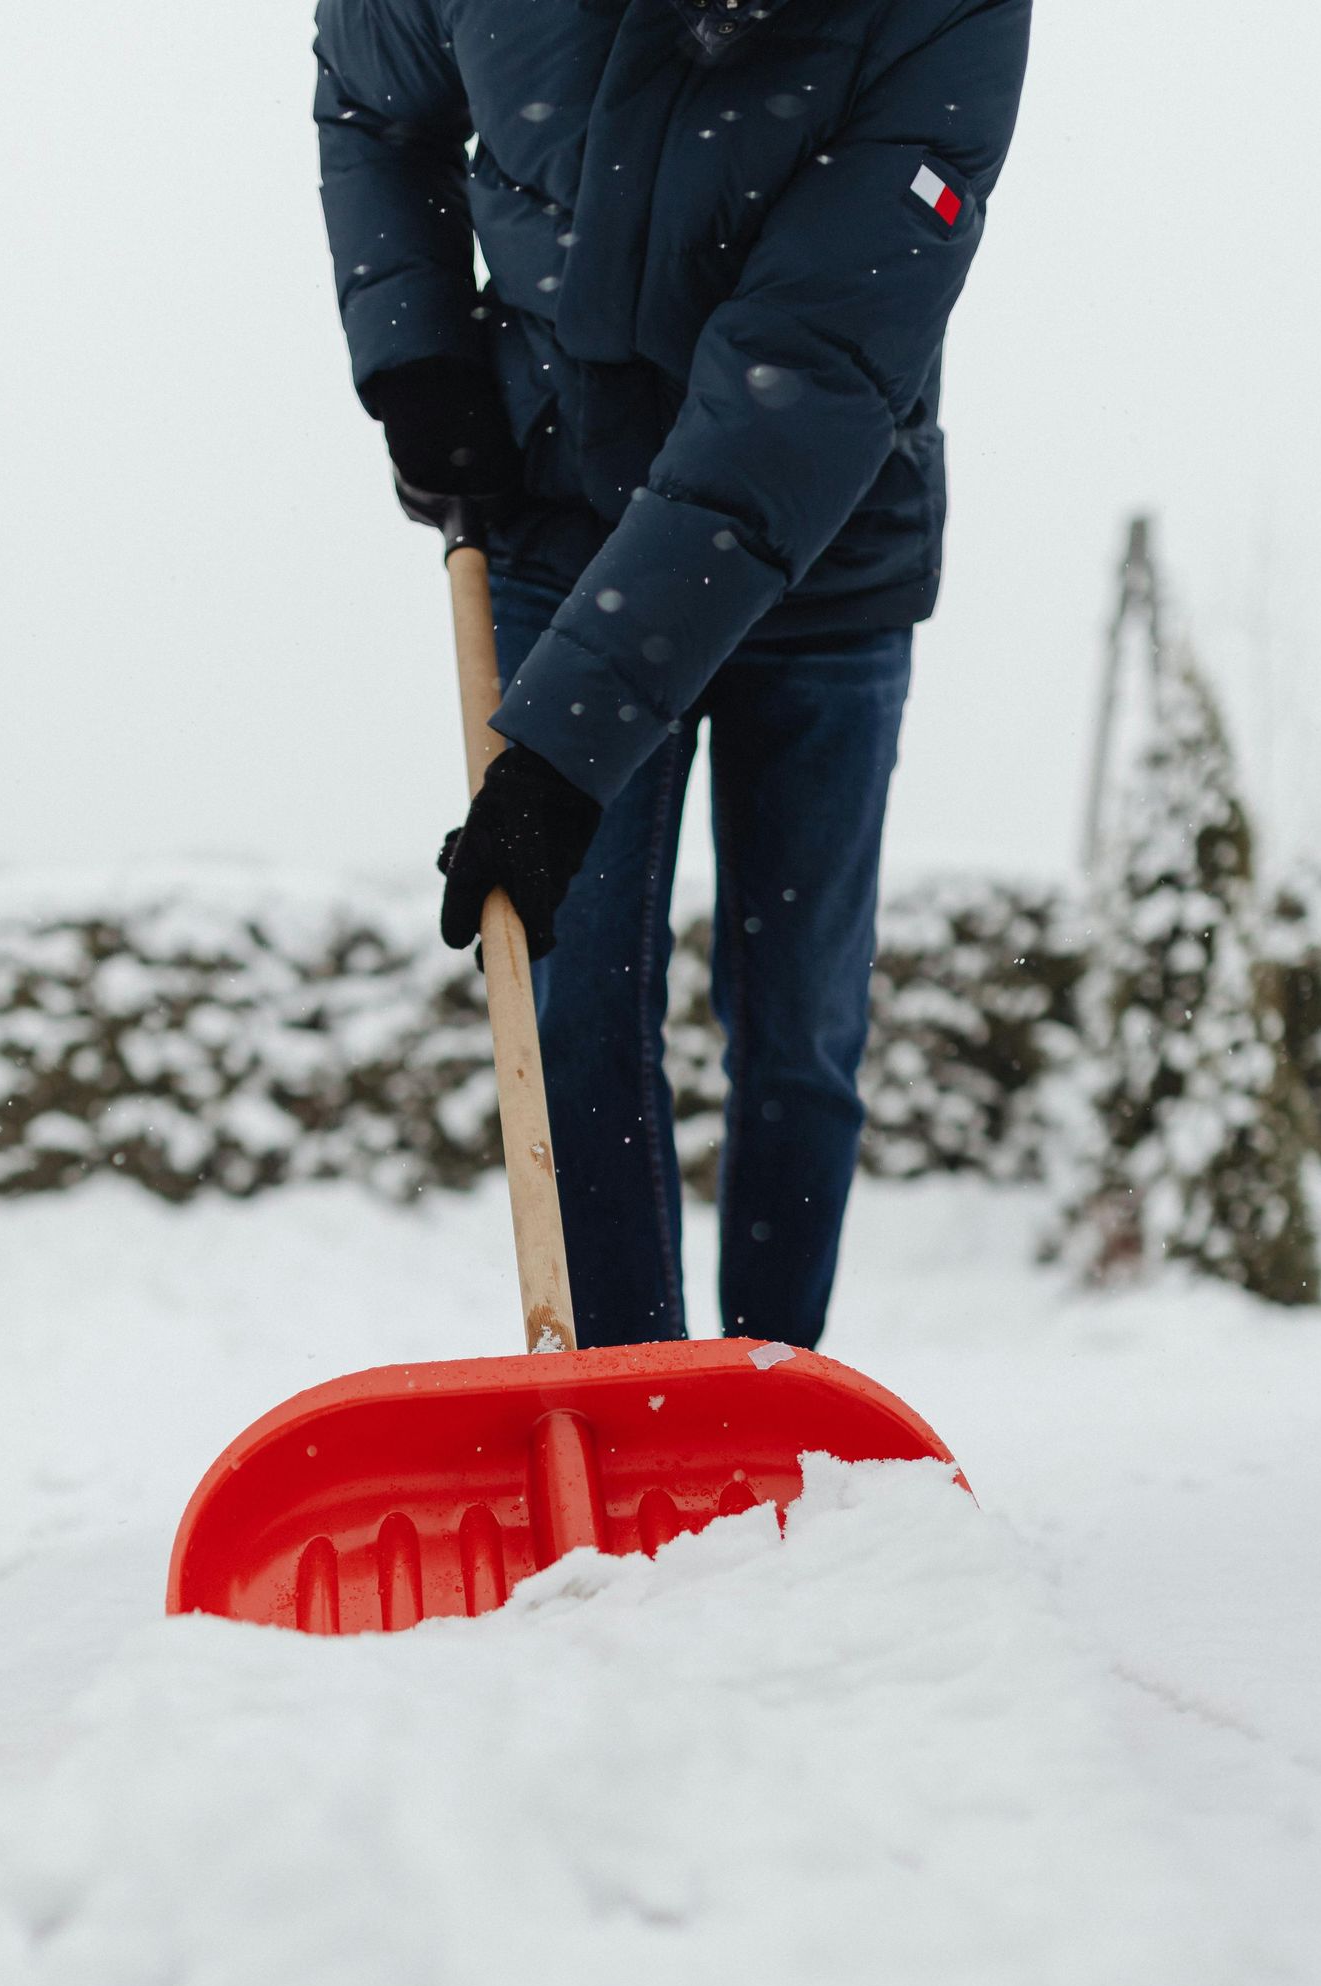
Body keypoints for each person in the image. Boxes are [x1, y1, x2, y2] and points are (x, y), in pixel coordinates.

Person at [315, 0, 1030, 1349]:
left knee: (800, 1034)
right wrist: (414, 352)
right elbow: (370, 101)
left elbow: (801, 373)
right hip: (556, 507)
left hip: (819, 539)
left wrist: (563, 750)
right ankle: (637, 1412)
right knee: (573, 1013)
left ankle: (772, 1412)